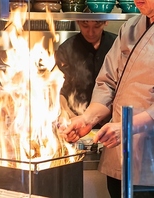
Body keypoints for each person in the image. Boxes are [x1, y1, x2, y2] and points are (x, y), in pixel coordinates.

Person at [58, 0, 154, 197]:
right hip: (118, 154)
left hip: (149, 161)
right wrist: (88, 118)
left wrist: (130, 127)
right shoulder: (131, 27)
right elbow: (107, 82)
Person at [55, 19, 117, 127]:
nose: (91, 32)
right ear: (78, 22)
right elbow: (60, 90)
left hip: (111, 124)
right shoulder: (66, 49)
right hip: (76, 121)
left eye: (97, 26)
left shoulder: (116, 45)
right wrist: (70, 116)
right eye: (85, 25)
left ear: (106, 21)